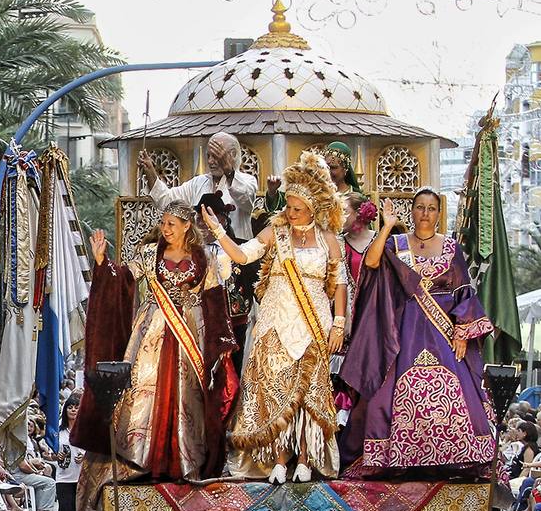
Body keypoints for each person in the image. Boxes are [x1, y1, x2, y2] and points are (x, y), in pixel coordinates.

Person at [205, 150, 346, 483]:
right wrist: (219, 233)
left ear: (313, 208)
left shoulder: (329, 240)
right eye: (289, 205)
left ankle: (306, 460)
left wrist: (339, 323)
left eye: (297, 208)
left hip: (314, 319)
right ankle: (278, 460)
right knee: (273, 387)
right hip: (275, 319)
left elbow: (339, 284)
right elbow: (242, 255)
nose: (291, 212)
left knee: (310, 390)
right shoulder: (275, 233)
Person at [77, 202, 239, 481]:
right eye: (163, 223)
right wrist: (103, 263)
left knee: (186, 393)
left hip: (190, 332)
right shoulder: (150, 254)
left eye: (171, 224)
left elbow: (214, 300)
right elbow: (124, 278)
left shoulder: (204, 258)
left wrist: (220, 343)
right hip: (153, 328)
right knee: (144, 386)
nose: (164, 229)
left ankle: (185, 460)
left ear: (187, 226)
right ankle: (143, 456)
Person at [339, 189, 497, 473]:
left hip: (442, 331)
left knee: (457, 392)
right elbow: (371, 263)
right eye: (420, 207)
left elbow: (463, 292)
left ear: (439, 213)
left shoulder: (451, 248)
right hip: (404, 329)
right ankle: (397, 459)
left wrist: (462, 332)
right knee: (388, 393)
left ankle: (453, 459)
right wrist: (386, 226)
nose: (425, 213)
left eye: (431, 208)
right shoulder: (397, 244)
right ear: (411, 211)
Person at [141, 131, 264, 240]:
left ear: (232, 155)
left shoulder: (247, 181)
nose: (210, 161)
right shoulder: (198, 183)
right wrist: (151, 172)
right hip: (203, 256)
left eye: (216, 156)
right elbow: (166, 200)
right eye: (209, 156)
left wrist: (228, 169)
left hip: (236, 255)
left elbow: (245, 199)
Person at [53, 397, 89, 511]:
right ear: (65, 410)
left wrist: (85, 457)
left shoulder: (86, 430)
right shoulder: (58, 432)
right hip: (64, 476)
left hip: (81, 475)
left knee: (80, 510)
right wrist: (57, 456)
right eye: (70, 407)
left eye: (76, 407)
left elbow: (93, 450)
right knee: (65, 510)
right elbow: (51, 453)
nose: (73, 410)